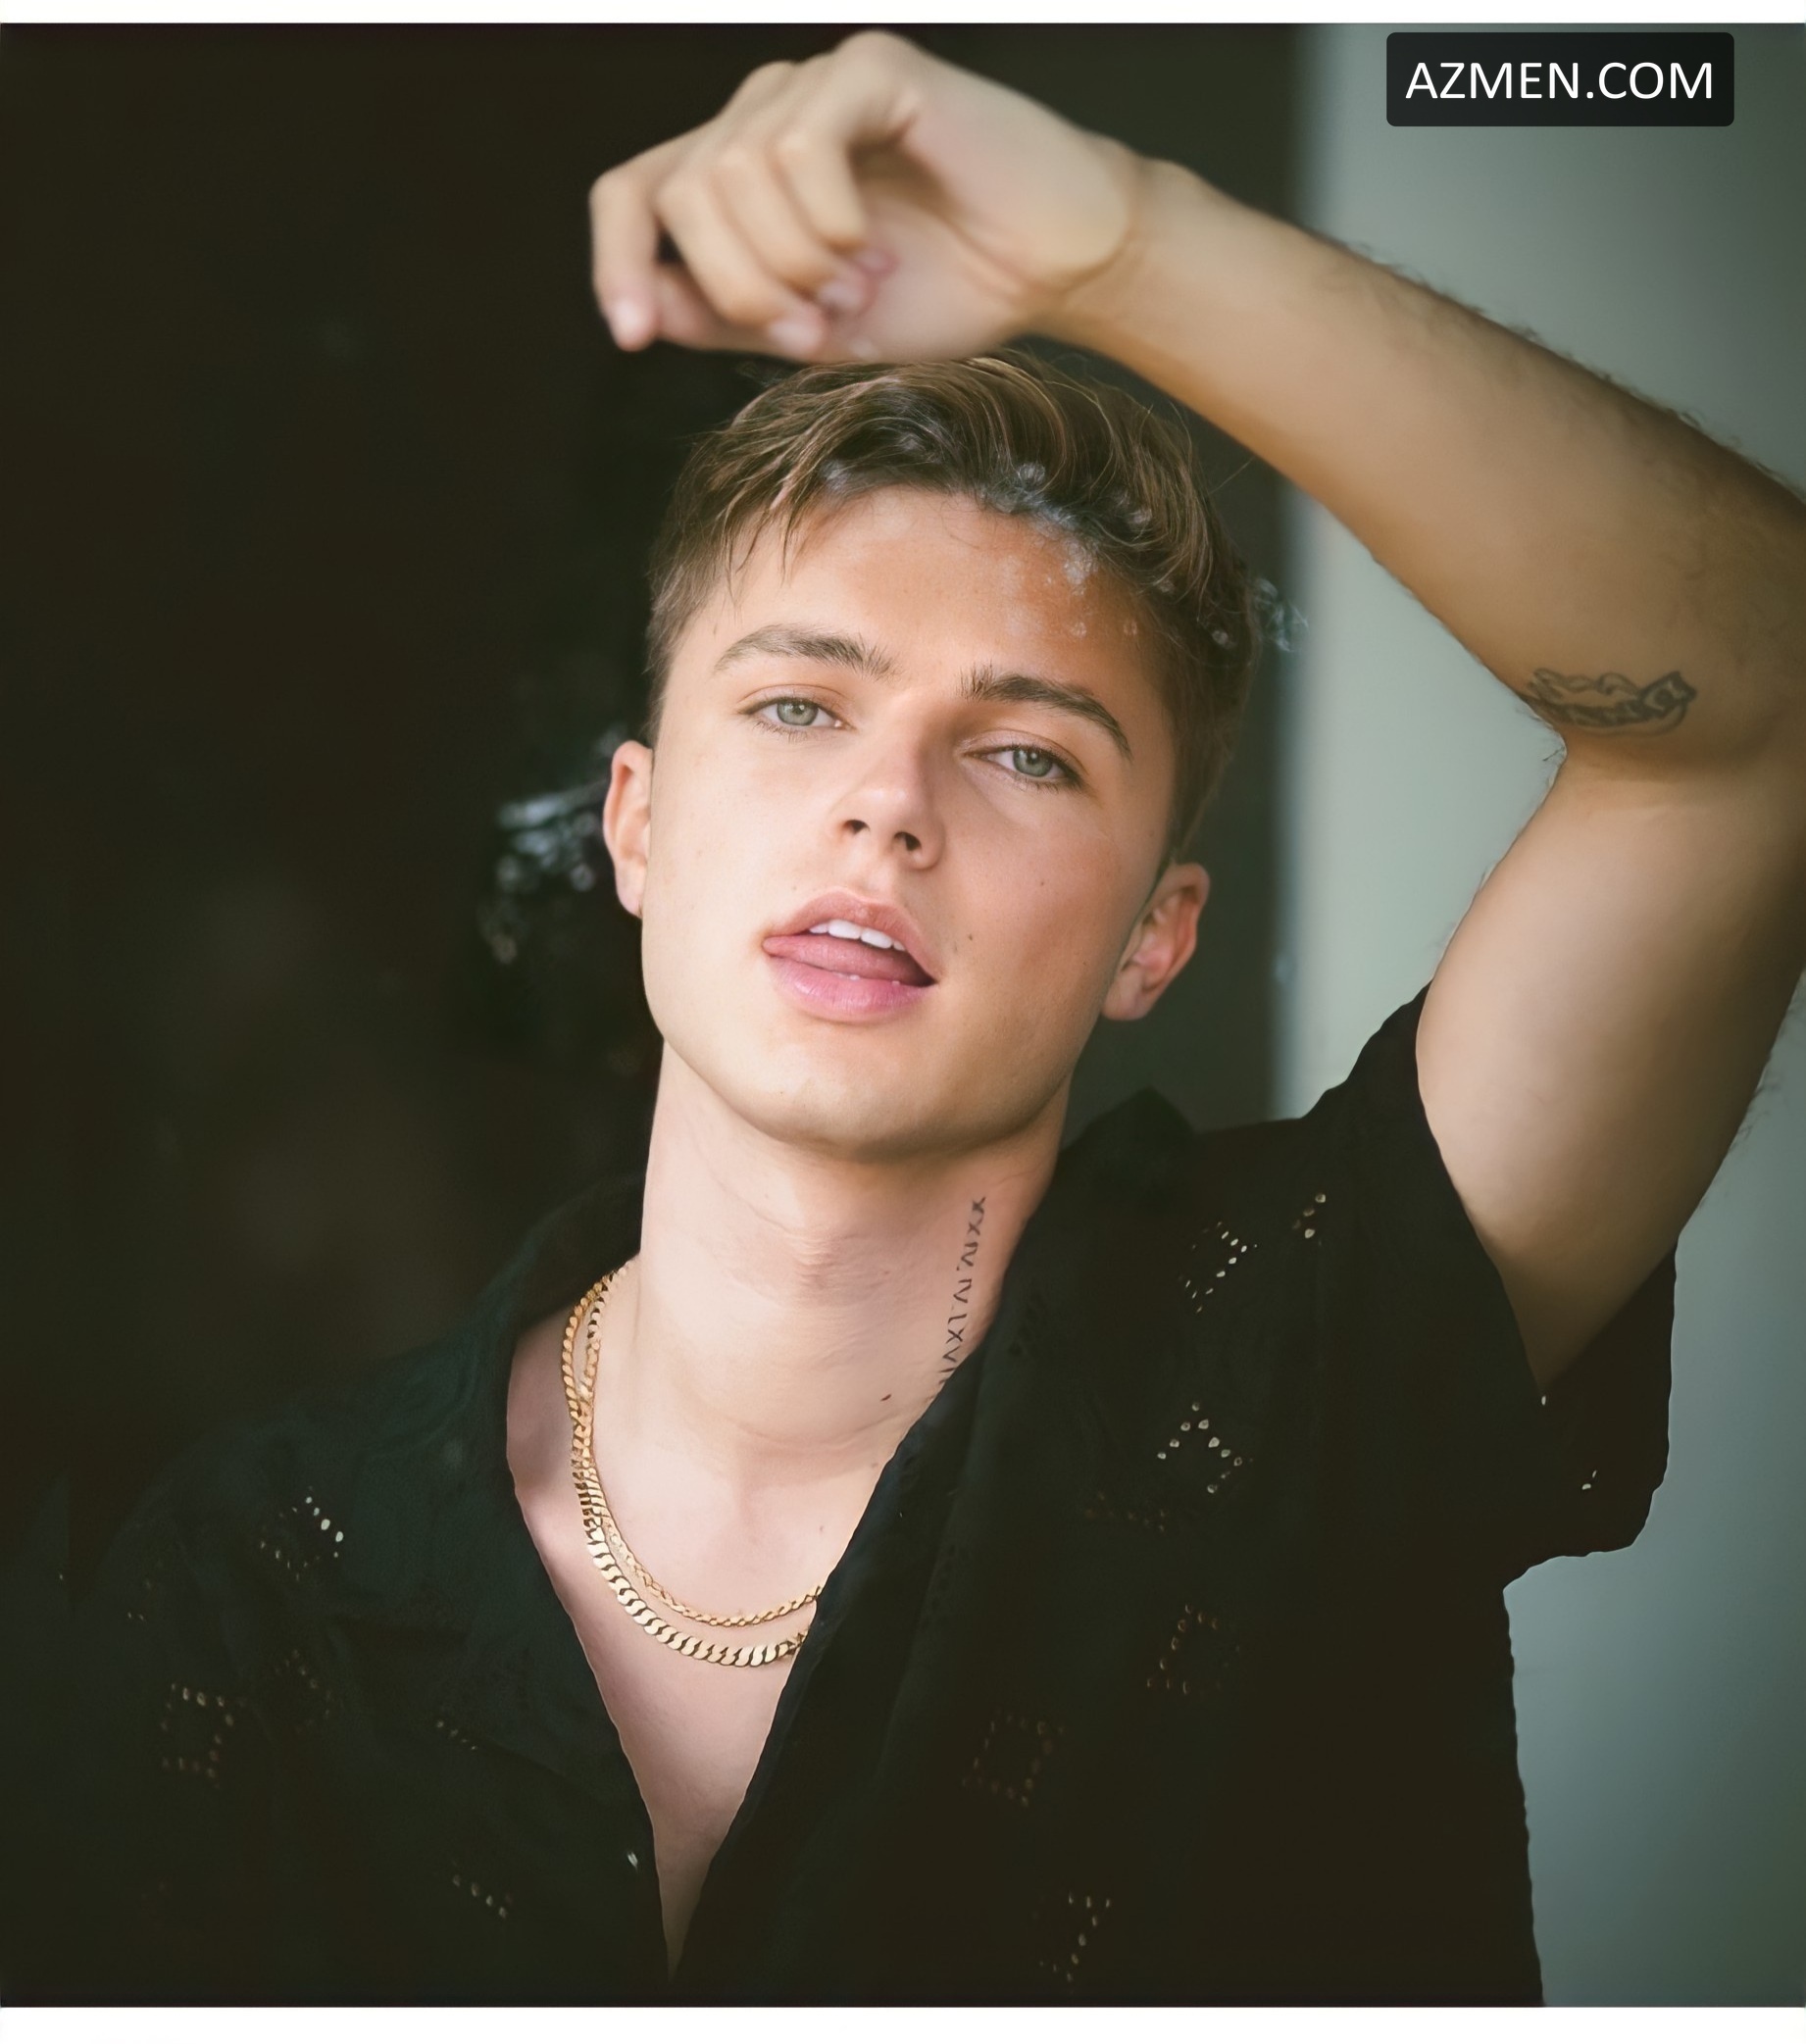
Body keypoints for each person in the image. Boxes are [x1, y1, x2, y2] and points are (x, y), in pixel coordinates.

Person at [4, 29, 1802, 2008]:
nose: (889, 802)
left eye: (1027, 753)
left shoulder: (1307, 1357)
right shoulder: (242, 1587)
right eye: (799, 704)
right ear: (637, 823)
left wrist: (1122, 241)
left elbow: (1759, 699)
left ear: (1155, 936)